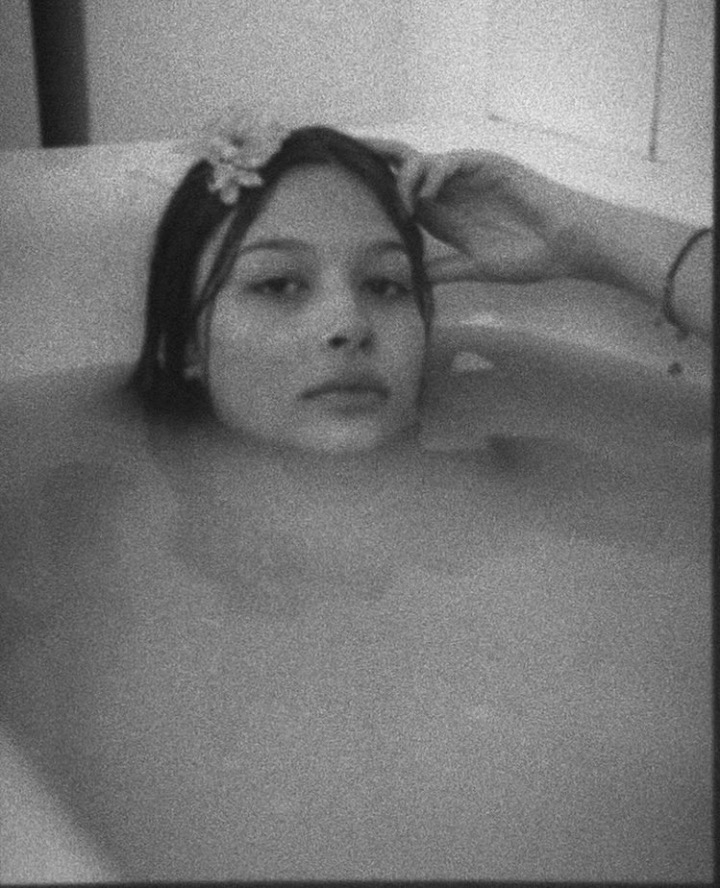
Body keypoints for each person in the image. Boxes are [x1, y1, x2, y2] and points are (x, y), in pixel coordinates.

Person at [0, 107, 712, 882]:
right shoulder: (91, 513)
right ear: (189, 346)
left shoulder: (520, 478)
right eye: (278, 284)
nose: (348, 324)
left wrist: (583, 235)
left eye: (385, 284)